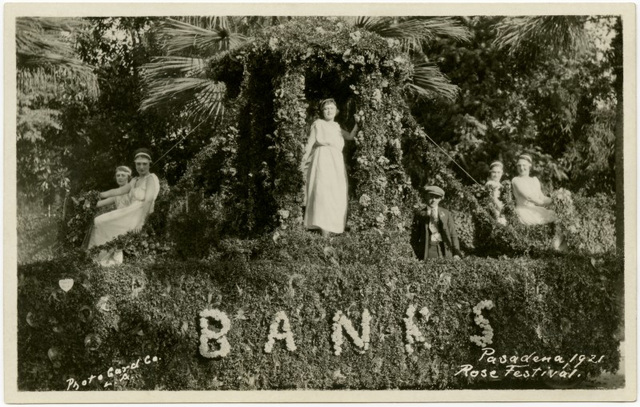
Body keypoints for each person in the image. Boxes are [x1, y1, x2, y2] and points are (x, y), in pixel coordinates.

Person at [87, 149, 160, 266]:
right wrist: (97, 195)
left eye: (144, 164)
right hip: (129, 212)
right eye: (138, 164)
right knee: (98, 221)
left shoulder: (151, 178)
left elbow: (148, 201)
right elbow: (118, 191)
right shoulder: (135, 180)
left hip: (138, 214)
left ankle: (108, 261)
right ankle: (99, 260)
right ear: (135, 164)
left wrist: (141, 223)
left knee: (102, 222)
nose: (141, 167)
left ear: (149, 163)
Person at [301, 98, 359, 237]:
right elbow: (310, 144)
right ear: (322, 111)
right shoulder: (318, 124)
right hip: (322, 158)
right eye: (326, 108)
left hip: (336, 161)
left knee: (335, 192)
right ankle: (323, 228)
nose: (329, 111)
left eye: (331, 108)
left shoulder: (338, 127)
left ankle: (333, 227)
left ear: (336, 111)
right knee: (322, 191)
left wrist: (357, 123)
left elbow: (350, 136)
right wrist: (303, 161)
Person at [410, 186, 461, 260]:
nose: (433, 200)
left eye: (437, 197)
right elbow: (414, 237)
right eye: (431, 196)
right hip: (427, 250)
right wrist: (416, 252)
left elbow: (453, 234)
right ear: (426, 196)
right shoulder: (419, 214)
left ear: (440, 199)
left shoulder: (446, 213)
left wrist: (456, 253)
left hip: (444, 250)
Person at [510, 154, 557, 226]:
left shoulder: (534, 180)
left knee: (554, 215)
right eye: (519, 165)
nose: (521, 168)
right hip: (523, 211)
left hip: (533, 209)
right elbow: (529, 197)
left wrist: (556, 200)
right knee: (543, 219)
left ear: (529, 165)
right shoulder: (516, 180)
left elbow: (542, 198)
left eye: (524, 165)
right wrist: (543, 203)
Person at [485, 161, 507, 225]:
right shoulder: (490, 184)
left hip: (501, 209)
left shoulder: (501, 185)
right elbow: (494, 199)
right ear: (490, 173)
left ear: (502, 173)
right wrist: (502, 210)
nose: (496, 175)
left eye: (498, 172)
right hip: (495, 210)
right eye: (494, 172)